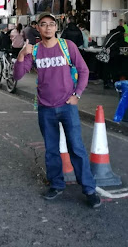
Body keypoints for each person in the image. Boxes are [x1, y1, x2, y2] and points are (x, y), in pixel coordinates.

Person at [13, 13, 100, 209]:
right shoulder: (34, 51)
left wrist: (77, 95)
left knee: (76, 148)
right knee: (51, 150)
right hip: (45, 108)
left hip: (67, 106)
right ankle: (56, 185)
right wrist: (21, 54)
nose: (48, 28)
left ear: (56, 27)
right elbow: (17, 75)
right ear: (38, 28)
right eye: (44, 25)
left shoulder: (67, 46)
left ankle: (89, 189)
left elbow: (83, 70)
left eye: (51, 24)